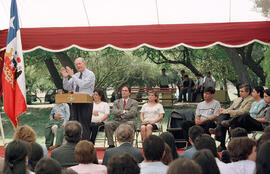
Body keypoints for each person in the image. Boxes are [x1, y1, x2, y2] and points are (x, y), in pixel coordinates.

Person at [209, 84, 254, 151]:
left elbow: (244, 111)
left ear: (247, 92)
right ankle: (219, 133)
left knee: (224, 121)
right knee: (222, 116)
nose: (240, 93)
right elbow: (230, 108)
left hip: (240, 118)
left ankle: (221, 141)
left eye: (242, 91)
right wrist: (224, 110)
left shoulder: (251, 99)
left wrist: (229, 111)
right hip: (231, 117)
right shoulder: (237, 99)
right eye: (239, 91)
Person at [61, 57, 95, 141]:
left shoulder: (90, 74)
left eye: (79, 63)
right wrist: (65, 77)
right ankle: (76, 144)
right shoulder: (76, 75)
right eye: (76, 64)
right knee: (76, 125)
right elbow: (67, 87)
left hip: (86, 103)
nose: (78, 66)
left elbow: (82, 85)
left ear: (84, 64)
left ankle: (84, 145)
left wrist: (72, 75)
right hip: (76, 102)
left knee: (84, 125)